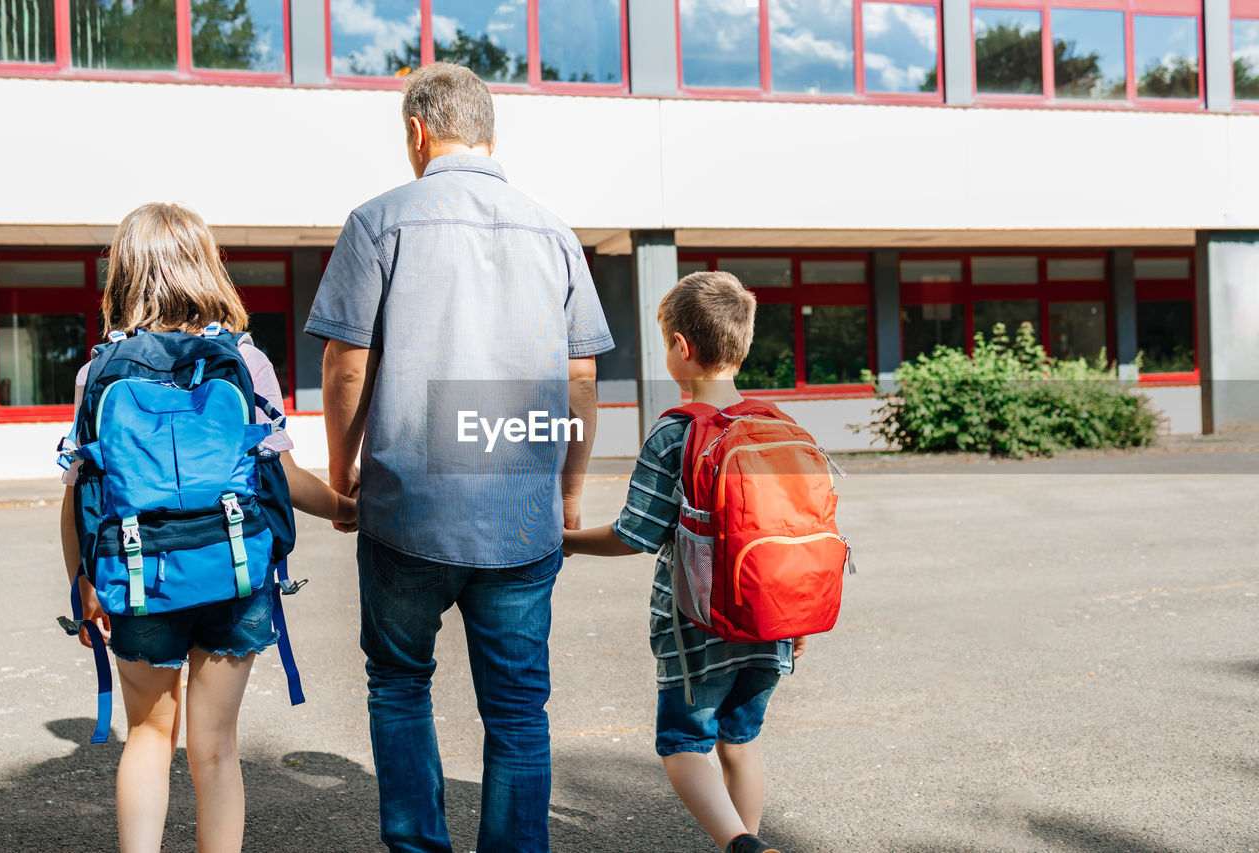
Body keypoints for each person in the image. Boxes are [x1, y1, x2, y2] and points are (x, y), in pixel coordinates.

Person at [305, 63, 612, 851]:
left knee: (401, 684)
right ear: (490, 133)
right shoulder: (555, 231)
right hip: (520, 511)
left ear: (416, 132)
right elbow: (581, 377)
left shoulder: (378, 221)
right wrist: (568, 489)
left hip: (408, 504)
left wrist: (343, 471)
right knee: (516, 709)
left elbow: (345, 365)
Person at [60, 202, 356, 853]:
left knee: (148, 737)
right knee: (216, 749)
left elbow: (80, 491)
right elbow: (283, 475)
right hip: (233, 575)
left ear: (125, 275)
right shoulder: (243, 363)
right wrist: (342, 505)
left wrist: (82, 583)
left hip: (138, 579)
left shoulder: (97, 373)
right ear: (206, 268)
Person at [562, 271, 804, 853]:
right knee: (740, 741)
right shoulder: (780, 425)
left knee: (682, 744)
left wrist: (563, 540)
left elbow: (634, 535)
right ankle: (749, 844)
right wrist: (797, 621)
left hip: (698, 630)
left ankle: (742, 848)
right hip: (772, 621)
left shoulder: (676, 433)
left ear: (681, 348)